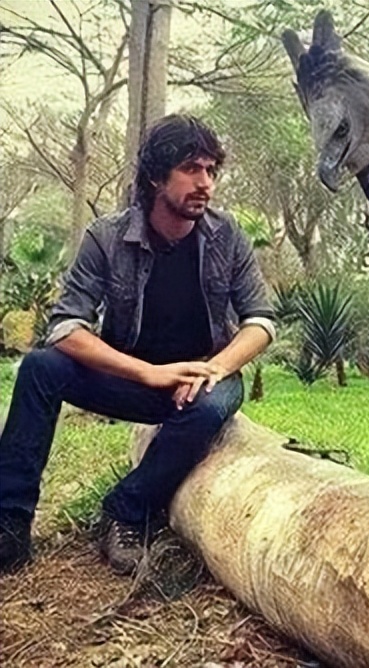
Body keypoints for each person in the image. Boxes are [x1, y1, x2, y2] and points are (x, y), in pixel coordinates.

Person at [0, 114, 275, 576]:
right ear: (155, 176)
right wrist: (148, 372)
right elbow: (67, 327)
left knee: (210, 407)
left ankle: (125, 511)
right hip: (129, 378)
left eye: (210, 170)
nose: (205, 183)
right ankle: (9, 523)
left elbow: (261, 321)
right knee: (39, 369)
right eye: (191, 169)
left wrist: (217, 367)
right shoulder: (107, 237)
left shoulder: (228, 236)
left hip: (200, 382)